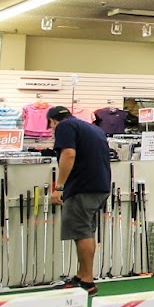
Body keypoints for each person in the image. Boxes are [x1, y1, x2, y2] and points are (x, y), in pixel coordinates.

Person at [49, 105, 113, 294]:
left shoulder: (64, 126)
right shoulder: (93, 128)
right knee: (86, 231)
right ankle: (82, 275)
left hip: (83, 187)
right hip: (99, 185)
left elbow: (68, 154)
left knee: (82, 232)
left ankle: (87, 281)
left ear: (52, 121)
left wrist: (59, 187)